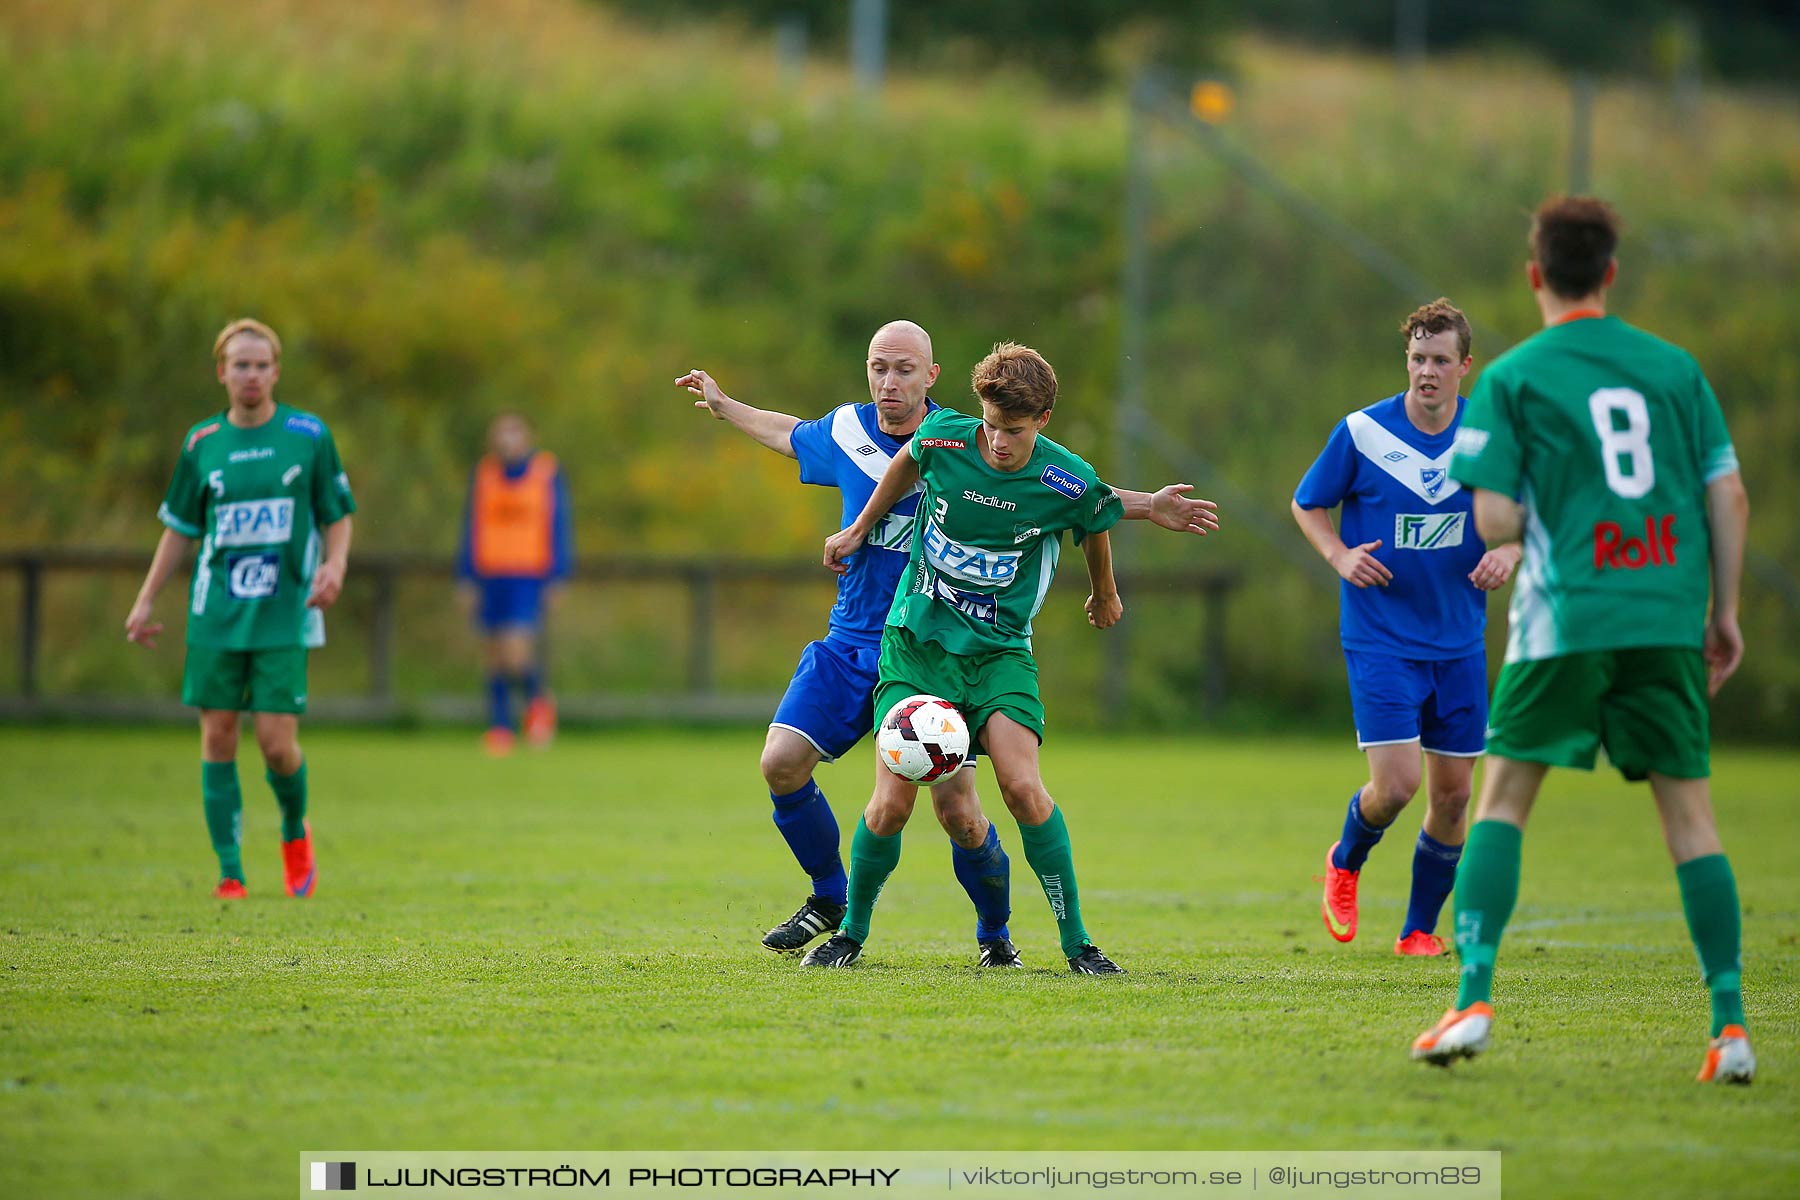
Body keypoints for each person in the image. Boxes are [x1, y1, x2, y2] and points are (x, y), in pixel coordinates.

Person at [1411, 196, 1754, 1084]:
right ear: (1609, 272)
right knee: (1691, 821)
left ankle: (1473, 999)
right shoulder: (1676, 371)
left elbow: (1491, 517)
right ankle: (1729, 1027)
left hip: (1564, 623)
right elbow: (1729, 497)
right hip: (1667, 621)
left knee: (1500, 806)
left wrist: (1528, 517)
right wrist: (1723, 613)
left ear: (1536, 276)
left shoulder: (1515, 378)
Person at [805, 341, 1220, 973]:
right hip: (916, 648)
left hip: (999, 656)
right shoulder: (944, 437)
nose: (998, 442)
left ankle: (1078, 944)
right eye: (992, 426)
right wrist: (860, 528)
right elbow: (906, 464)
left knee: (1023, 788)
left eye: (1015, 431)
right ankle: (851, 935)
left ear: (1043, 421)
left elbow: (1098, 513)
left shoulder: (1061, 476)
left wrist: (1105, 588)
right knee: (892, 802)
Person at [676, 322, 1024, 966]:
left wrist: (1138, 506)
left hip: (932, 653)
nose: (888, 383)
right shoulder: (844, 431)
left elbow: (1048, 481)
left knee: (958, 812)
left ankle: (994, 934)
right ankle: (829, 896)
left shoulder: (961, 443)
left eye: (903, 370)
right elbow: (787, 434)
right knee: (780, 762)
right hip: (852, 641)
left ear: (931, 376)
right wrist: (724, 405)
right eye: (877, 368)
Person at [1292, 299, 1520, 957]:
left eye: (1440, 360)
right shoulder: (1363, 434)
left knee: (1454, 799)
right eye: (1418, 358)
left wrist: (1510, 551)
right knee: (1396, 786)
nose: (1427, 371)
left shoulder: (1489, 436)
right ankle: (1346, 859)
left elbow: (1528, 517)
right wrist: (1339, 556)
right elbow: (1308, 503)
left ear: (1464, 367)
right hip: (1380, 637)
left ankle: (1417, 930)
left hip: (1459, 641)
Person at [125, 318, 356, 899]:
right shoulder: (202, 444)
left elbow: (337, 511)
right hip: (217, 613)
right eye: (239, 365)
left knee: (277, 745)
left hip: (285, 610)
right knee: (219, 736)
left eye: (260, 365)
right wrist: (147, 596)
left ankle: (291, 831)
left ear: (275, 371)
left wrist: (336, 565)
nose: (250, 375)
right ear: (221, 372)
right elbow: (180, 528)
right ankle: (230, 870)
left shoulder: (308, 434)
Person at [456, 412, 572, 755]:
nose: (507, 439)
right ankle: (500, 727)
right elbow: (471, 526)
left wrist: (558, 575)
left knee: (516, 653)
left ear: (527, 437)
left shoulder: (545, 473)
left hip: (528, 574)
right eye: (501, 432)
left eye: (514, 432)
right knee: (493, 654)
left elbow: (559, 526)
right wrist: (466, 576)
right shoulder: (486, 474)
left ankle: (538, 704)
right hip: (491, 574)